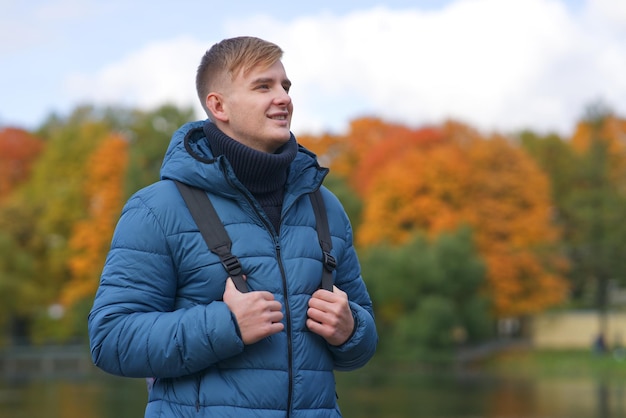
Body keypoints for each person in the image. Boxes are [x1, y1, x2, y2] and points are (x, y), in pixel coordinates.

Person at [88, 36, 378, 417]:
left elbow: (363, 340)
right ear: (218, 105)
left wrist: (351, 328)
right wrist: (225, 326)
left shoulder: (325, 205)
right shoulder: (157, 208)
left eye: (285, 86)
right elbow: (111, 340)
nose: (283, 97)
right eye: (263, 86)